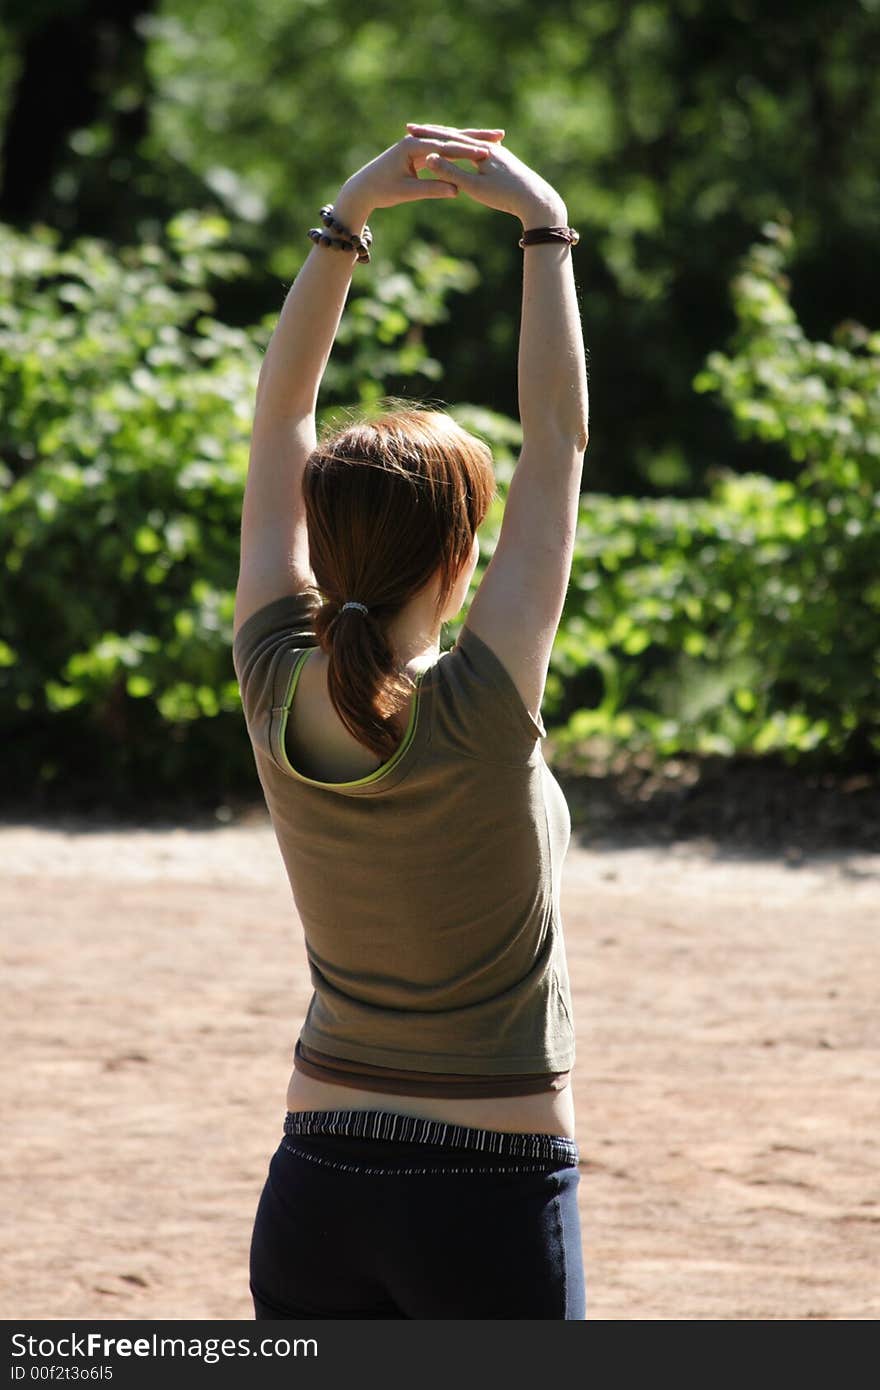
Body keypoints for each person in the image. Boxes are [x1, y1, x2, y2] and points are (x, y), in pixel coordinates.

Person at [232, 121, 589, 1319]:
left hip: (313, 1185)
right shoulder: (483, 705)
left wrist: (350, 214)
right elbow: (563, 444)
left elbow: (280, 423)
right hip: (488, 1190)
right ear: (459, 556)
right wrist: (542, 227)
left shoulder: (273, 679)